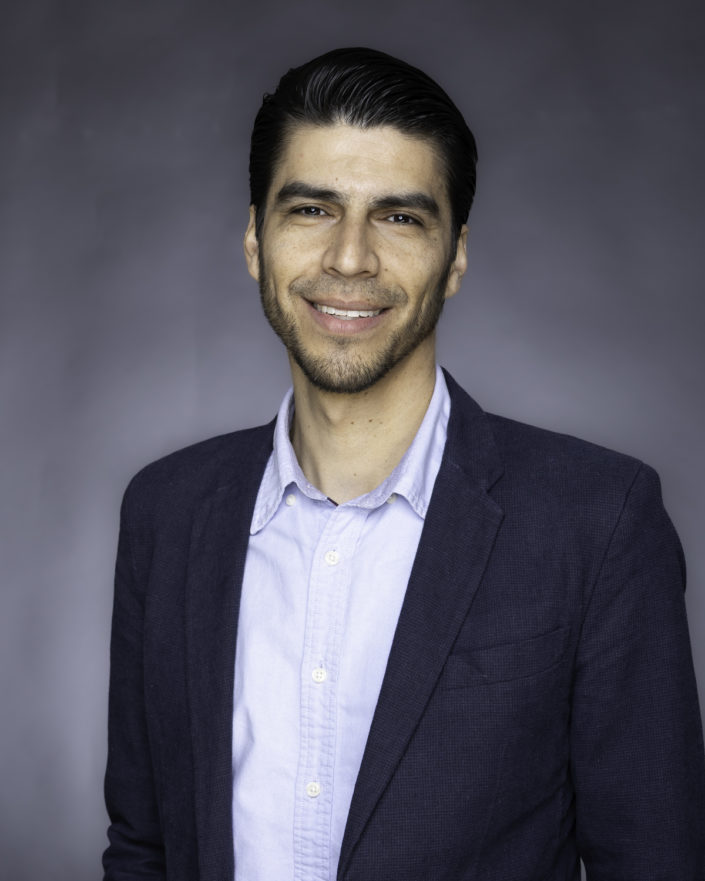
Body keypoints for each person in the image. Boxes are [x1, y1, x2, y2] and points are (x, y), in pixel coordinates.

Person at [102, 48, 705, 881]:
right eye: (311, 209)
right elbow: (144, 847)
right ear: (253, 239)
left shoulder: (597, 521)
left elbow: (654, 859)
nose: (349, 258)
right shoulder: (167, 512)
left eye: (398, 217)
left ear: (454, 257)